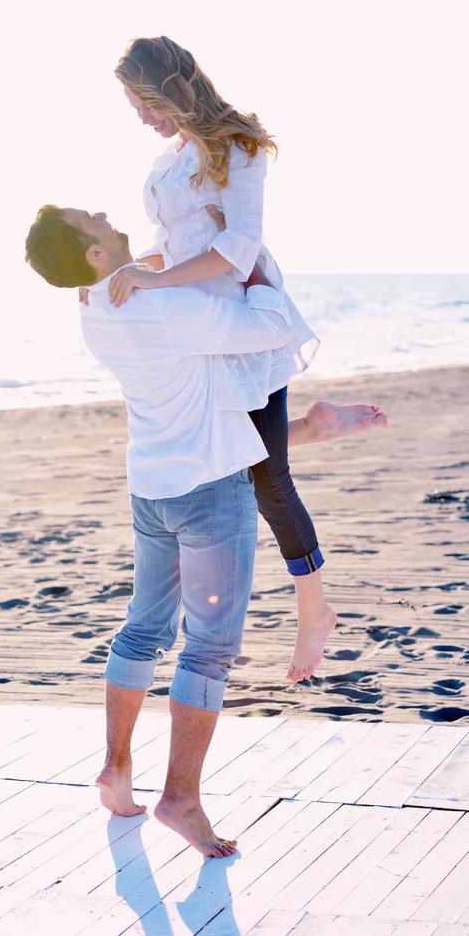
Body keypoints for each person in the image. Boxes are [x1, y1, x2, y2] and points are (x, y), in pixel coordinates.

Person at [24, 204, 383, 857]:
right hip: (209, 493)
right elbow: (272, 324)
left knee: (143, 628)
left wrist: (165, 262)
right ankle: (180, 798)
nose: (104, 213)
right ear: (96, 254)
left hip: (151, 487)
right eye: (91, 219)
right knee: (209, 650)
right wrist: (249, 261)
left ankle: (115, 768)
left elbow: (141, 274)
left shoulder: (93, 306)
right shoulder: (163, 310)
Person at [106, 35, 386, 683]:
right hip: (193, 324)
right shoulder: (172, 157)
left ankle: (315, 610)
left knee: (264, 480)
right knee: (229, 453)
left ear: (171, 86)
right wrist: (129, 269)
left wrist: (155, 282)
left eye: (143, 102)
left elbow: (238, 250)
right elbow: (168, 242)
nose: (141, 117)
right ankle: (317, 426)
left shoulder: (239, 146)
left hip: (238, 322)